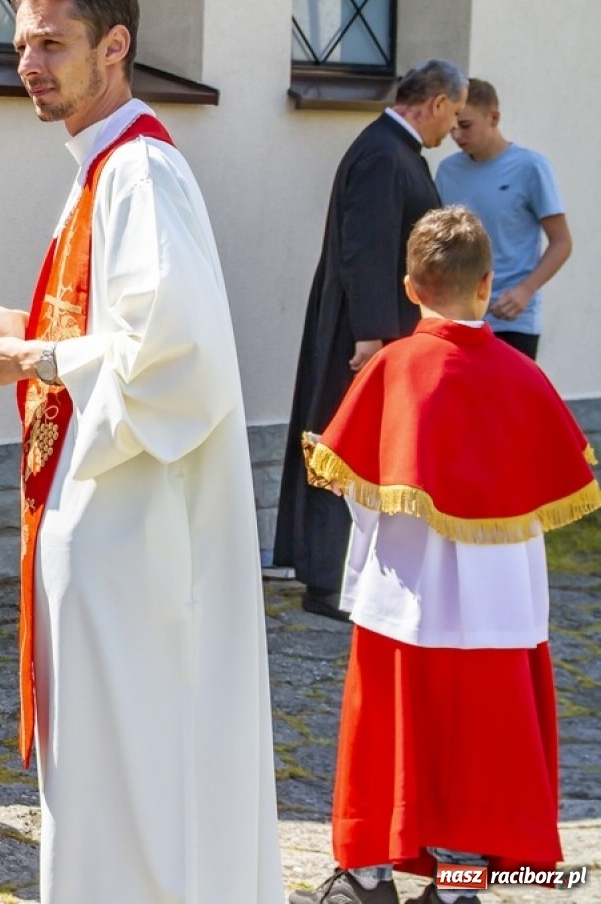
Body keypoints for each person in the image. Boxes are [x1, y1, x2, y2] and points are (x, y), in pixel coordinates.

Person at [0, 0, 281, 903]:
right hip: (103, 523)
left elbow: (177, 357)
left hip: (139, 533)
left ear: (115, 45)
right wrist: (28, 327)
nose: (29, 64)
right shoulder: (101, 166)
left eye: (53, 44)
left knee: (136, 762)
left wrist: (31, 357)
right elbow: (117, 326)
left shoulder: (142, 172)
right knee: (101, 769)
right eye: (22, 44)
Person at [291, 207, 599, 904]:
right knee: (483, 743)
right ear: (487, 284)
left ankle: (367, 878)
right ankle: (459, 887)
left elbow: (355, 489)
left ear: (410, 287)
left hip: (407, 595)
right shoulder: (525, 377)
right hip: (501, 606)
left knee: (386, 731)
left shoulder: (392, 369)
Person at [273, 59, 468, 621]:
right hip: (360, 339)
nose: (453, 126)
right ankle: (329, 579)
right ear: (435, 103)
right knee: (345, 451)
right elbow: (368, 247)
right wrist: (371, 335)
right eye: (454, 113)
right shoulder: (385, 154)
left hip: (369, 329)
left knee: (360, 454)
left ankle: (344, 576)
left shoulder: (394, 150)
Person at [436, 78, 571, 360]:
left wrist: (526, 290)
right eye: (452, 128)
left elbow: (561, 242)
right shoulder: (448, 171)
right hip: (460, 317)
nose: (457, 135)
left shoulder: (530, 167)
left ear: (494, 118)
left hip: (511, 318)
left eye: (466, 126)